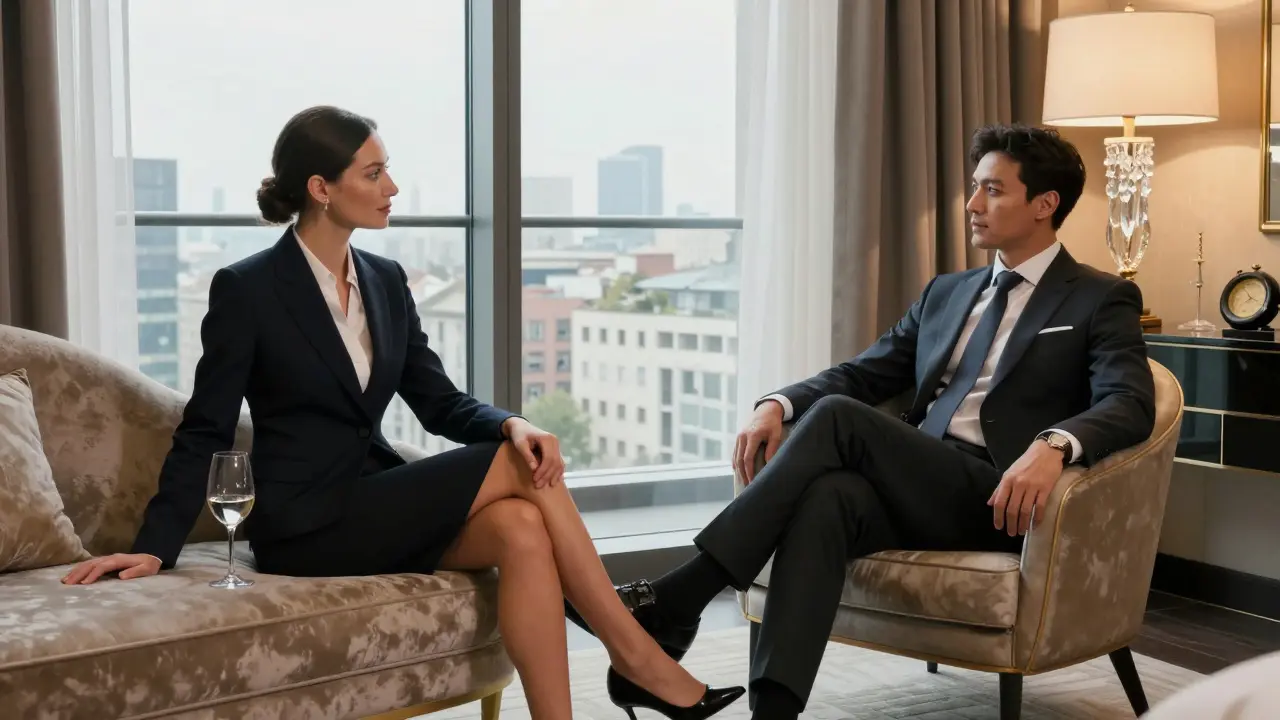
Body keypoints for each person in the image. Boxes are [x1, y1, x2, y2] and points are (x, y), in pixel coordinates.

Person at [60, 105, 744, 720]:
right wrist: (155, 546)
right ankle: (637, 656)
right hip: (305, 525)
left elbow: (437, 401)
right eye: (375, 172)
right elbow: (206, 425)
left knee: (521, 527)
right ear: (322, 189)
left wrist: (513, 421)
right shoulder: (248, 288)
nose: (392, 188)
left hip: (372, 498)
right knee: (515, 471)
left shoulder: (386, 281)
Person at [568, 123, 1157, 719]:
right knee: (829, 496)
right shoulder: (948, 292)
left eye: (993, 191)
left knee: (840, 423)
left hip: (999, 497)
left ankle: (680, 597)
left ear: (1044, 204)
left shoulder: (1097, 297)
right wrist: (777, 403)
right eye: (974, 188)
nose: (973, 205)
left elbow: (1129, 402)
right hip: (919, 480)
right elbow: (863, 374)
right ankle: (773, 712)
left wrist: (1055, 444)